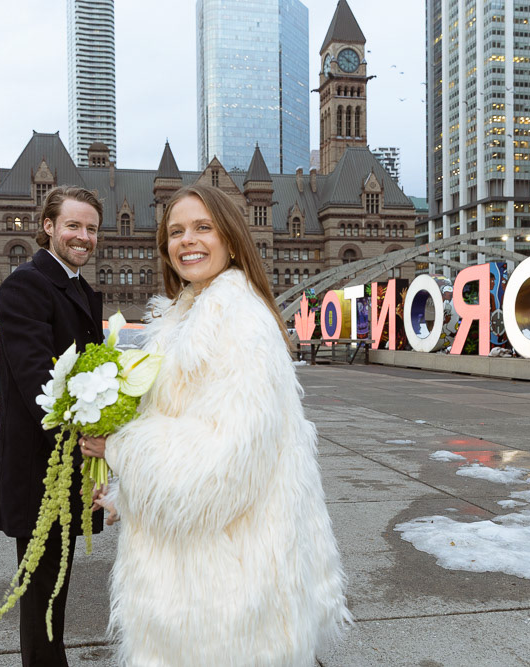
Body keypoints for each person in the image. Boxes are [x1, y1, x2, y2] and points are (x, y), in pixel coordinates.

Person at [82, 185, 350, 666]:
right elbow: (185, 421)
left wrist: (119, 447)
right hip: (201, 571)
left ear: (230, 236)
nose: (188, 241)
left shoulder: (238, 321)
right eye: (176, 231)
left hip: (226, 587)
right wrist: (126, 495)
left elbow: (226, 460)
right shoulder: (189, 313)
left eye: (203, 227)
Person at [0, 185, 105, 666]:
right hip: (41, 465)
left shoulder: (76, 285)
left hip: (69, 460)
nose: (83, 236)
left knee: (56, 585)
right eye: (73, 226)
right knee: (41, 595)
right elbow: (38, 379)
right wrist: (88, 432)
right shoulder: (26, 285)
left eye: (91, 228)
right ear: (49, 226)